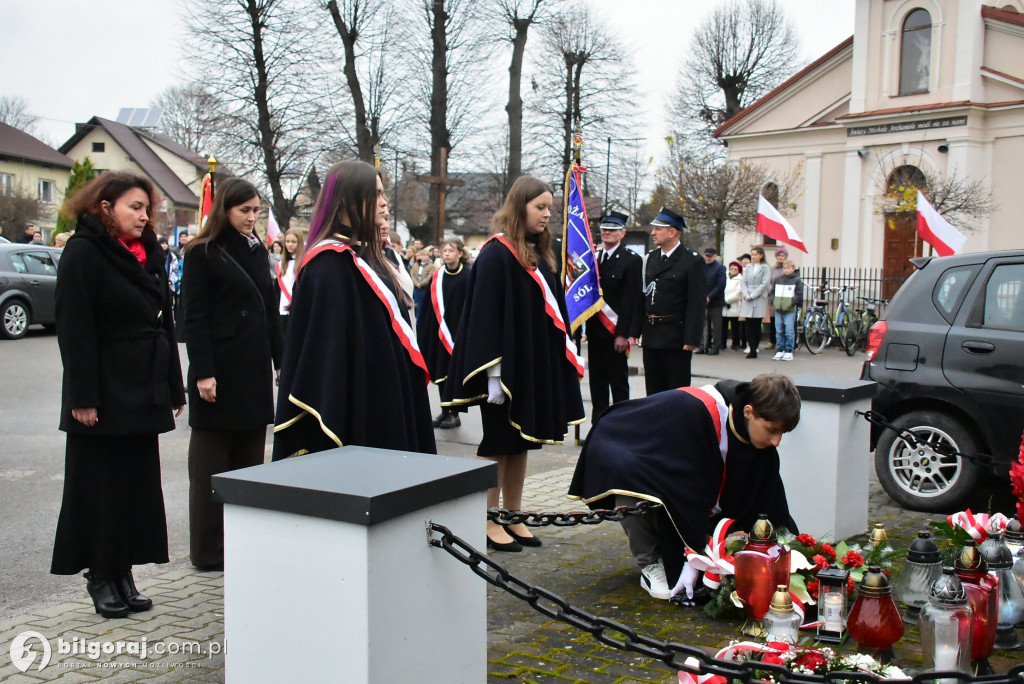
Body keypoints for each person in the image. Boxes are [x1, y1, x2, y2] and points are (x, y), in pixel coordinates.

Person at [51, 172, 186, 618]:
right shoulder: (83, 252)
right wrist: (83, 397)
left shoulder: (149, 253)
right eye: (135, 207)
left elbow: (165, 323)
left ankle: (124, 570)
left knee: (135, 485)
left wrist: (173, 385)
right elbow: (74, 329)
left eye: (147, 209)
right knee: (101, 488)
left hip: (144, 386)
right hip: (104, 390)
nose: (144, 216)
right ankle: (101, 574)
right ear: (105, 207)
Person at [443, 175, 585, 552]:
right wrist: (493, 374)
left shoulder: (540, 254)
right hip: (501, 371)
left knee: (522, 443)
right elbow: (485, 319)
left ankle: (514, 515)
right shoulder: (496, 254)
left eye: (550, 208)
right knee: (498, 442)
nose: (547, 214)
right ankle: (488, 519)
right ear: (519, 206)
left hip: (529, 366)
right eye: (540, 207)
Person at [568, 373, 801, 602]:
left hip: (692, 494)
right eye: (772, 430)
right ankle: (650, 561)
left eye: (782, 433)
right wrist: (695, 550)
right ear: (748, 412)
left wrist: (795, 550)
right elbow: (681, 486)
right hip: (635, 456)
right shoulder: (694, 411)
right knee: (632, 490)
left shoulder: (756, 440)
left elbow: (771, 503)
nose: (776, 442)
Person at [273, 160, 436, 460]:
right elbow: (326, 360)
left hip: (386, 392)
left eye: (384, 194)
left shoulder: (370, 257)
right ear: (347, 200)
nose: (384, 203)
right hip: (356, 401)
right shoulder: (327, 265)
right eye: (376, 194)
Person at [181, 178, 284, 571]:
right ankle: (208, 551)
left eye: (256, 210)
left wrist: (281, 360)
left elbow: (270, 309)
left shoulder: (257, 250)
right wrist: (203, 372)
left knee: (248, 463)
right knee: (210, 466)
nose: (252, 217)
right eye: (245, 210)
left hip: (252, 371)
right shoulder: (203, 251)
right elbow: (194, 317)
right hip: (220, 372)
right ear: (225, 209)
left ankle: (240, 544)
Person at [630, 207, 706, 395]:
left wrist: (692, 338)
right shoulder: (651, 258)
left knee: (676, 391)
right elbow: (643, 296)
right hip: (651, 334)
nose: (653, 233)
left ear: (672, 232)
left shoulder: (691, 260)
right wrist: (635, 330)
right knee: (653, 391)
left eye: (658, 229)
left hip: (675, 336)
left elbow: (696, 303)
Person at [588, 210, 642, 423]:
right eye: (604, 229)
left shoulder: (631, 260)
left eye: (612, 230)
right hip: (594, 331)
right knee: (597, 384)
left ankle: (621, 425)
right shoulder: (593, 258)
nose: (607, 233)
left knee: (618, 384)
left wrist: (623, 334)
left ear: (623, 233)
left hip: (614, 332)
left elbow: (632, 299)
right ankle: (598, 425)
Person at [417, 238, 471, 429]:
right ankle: (445, 411)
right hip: (440, 333)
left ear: (460, 253)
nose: (447, 254)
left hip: (459, 333)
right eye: (444, 250)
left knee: (454, 374)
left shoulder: (468, 276)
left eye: (451, 250)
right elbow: (428, 307)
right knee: (441, 373)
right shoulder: (438, 275)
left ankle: (455, 414)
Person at [740, 246, 770, 358]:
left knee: (756, 324)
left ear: (761, 255)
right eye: (752, 254)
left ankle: (754, 348)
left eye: (755, 254)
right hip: (748, 297)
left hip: (759, 297)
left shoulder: (765, 268)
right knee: (748, 323)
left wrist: (754, 295)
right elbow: (744, 282)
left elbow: (765, 283)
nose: (753, 256)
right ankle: (750, 346)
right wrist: (746, 294)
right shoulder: (748, 267)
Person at [771, 260, 803, 362]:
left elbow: (799, 294)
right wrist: (774, 301)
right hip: (778, 309)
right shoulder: (778, 279)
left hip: (789, 310)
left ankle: (789, 350)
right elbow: (773, 292)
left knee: (789, 331)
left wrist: (791, 302)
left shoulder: (797, 280)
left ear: (793, 269)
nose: (786, 270)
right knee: (779, 331)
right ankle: (780, 349)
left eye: (788, 268)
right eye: (784, 268)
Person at [276, 227, 305, 335]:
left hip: (298, 309)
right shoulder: (280, 265)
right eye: (287, 241)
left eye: (293, 242)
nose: (290, 245)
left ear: (299, 243)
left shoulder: (304, 264)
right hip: (283, 311)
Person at [698, 248, 726, 355]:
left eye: (710, 256)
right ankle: (703, 346)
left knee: (716, 326)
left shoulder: (720, 268)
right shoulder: (702, 267)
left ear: (715, 257)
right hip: (702, 300)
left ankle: (715, 347)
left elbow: (720, 285)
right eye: (706, 256)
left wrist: (709, 296)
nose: (708, 258)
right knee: (703, 325)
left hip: (715, 302)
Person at [766, 248, 788, 350]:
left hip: (784, 296)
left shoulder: (787, 268)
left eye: (782, 255)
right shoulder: (772, 269)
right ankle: (772, 341)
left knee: (784, 321)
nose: (780, 257)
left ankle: (784, 342)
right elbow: (769, 281)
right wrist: (770, 289)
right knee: (773, 320)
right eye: (779, 255)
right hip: (773, 296)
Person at [722, 261, 744, 351]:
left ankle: (735, 343)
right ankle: (722, 343)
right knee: (723, 325)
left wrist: (727, 300)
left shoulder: (740, 279)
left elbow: (739, 292)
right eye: (731, 268)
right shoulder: (725, 277)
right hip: (723, 305)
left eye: (735, 269)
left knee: (735, 326)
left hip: (734, 305)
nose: (733, 270)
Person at [411, 247, 436, 320]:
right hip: (416, 288)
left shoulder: (431, 266)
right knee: (416, 304)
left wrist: (421, 284)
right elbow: (412, 274)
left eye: (425, 255)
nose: (423, 257)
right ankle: (416, 319)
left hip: (425, 288)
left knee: (423, 305)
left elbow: (429, 276)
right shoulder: (416, 264)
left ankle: (421, 319)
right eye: (422, 255)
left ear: (428, 256)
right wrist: (416, 283)